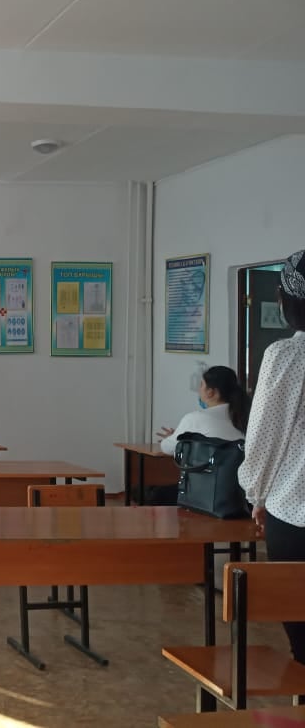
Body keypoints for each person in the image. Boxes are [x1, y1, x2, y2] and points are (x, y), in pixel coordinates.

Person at [239, 248, 305, 664]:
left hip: (295, 514)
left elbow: (264, 440)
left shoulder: (287, 356)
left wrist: (257, 495)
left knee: (303, 638)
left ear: (287, 301)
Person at [156, 365, 250, 455]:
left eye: (201, 385)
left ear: (210, 392)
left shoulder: (195, 418)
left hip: (212, 466)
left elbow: (168, 448)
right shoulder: (246, 415)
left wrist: (170, 438)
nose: (199, 390)